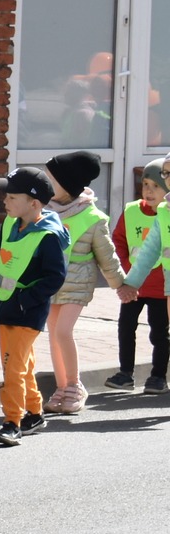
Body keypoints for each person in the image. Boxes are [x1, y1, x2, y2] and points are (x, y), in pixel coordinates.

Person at [0, 167, 71, 446]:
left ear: (34, 203)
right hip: (5, 306)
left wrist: (24, 300)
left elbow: (55, 277)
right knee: (22, 365)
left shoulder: (48, 236)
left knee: (12, 368)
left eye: (11, 197)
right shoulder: (10, 223)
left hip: (27, 312)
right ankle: (34, 413)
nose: (5, 201)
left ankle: (12, 422)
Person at [42, 151, 124, 414]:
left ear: (67, 184)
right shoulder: (44, 211)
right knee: (53, 334)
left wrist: (120, 285)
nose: (46, 183)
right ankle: (61, 387)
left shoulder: (93, 217)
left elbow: (107, 256)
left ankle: (75, 386)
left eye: (51, 179)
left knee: (63, 332)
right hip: (51, 284)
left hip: (78, 284)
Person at [110, 159, 169, 392]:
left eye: (156, 186)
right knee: (126, 328)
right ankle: (125, 373)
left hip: (161, 288)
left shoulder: (163, 213)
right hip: (134, 284)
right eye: (145, 184)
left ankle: (158, 376)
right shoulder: (133, 211)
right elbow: (121, 242)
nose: (149, 191)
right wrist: (128, 273)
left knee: (159, 333)